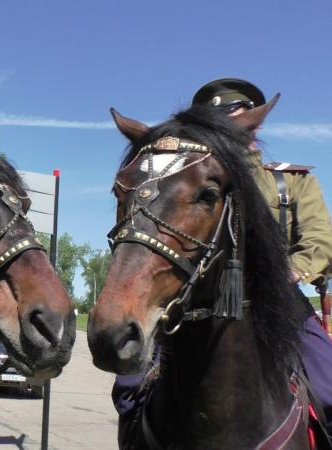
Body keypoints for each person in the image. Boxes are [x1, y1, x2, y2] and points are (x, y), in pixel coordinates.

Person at [112, 77, 332, 438]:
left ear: (255, 125)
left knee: (328, 382)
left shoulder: (289, 181)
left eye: (236, 119)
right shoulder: (190, 176)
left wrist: (293, 270)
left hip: (276, 301)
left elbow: (320, 240)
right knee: (129, 387)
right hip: (194, 296)